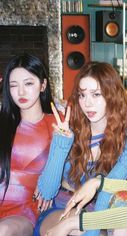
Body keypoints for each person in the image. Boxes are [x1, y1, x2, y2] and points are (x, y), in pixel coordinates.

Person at [34, 62, 127, 236]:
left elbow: (107, 193)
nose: (88, 103)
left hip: (98, 212)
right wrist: (61, 142)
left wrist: (88, 229)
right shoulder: (69, 132)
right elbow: (47, 192)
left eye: (96, 94)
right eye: (82, 95)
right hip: (61, 207)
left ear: (112, 95)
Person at [0, 53, 55, 236]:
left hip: (22, 210)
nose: (21, 92)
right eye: (13, 85)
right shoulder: (3, 124)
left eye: (29, 83)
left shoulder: (58, 124)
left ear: (43, 85)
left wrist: (48, 180)